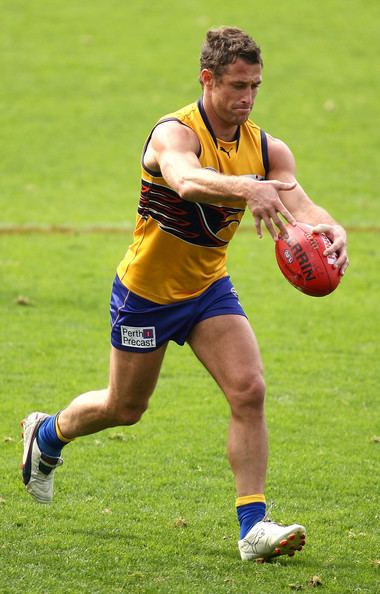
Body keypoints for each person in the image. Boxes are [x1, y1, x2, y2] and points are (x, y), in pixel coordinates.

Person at [21, 26, 349, 561]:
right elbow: (187, 180)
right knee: (124, 407)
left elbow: (303, 206)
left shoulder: (266, 147)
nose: (246, 98)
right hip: (145, 294)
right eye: (237, 86)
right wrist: (246, 187)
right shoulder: (173, 134)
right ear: (207, 79)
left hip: (207, 290)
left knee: (250, 389)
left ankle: (252, 527)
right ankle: (48, 437)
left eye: (255, 87)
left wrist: (331, 228)